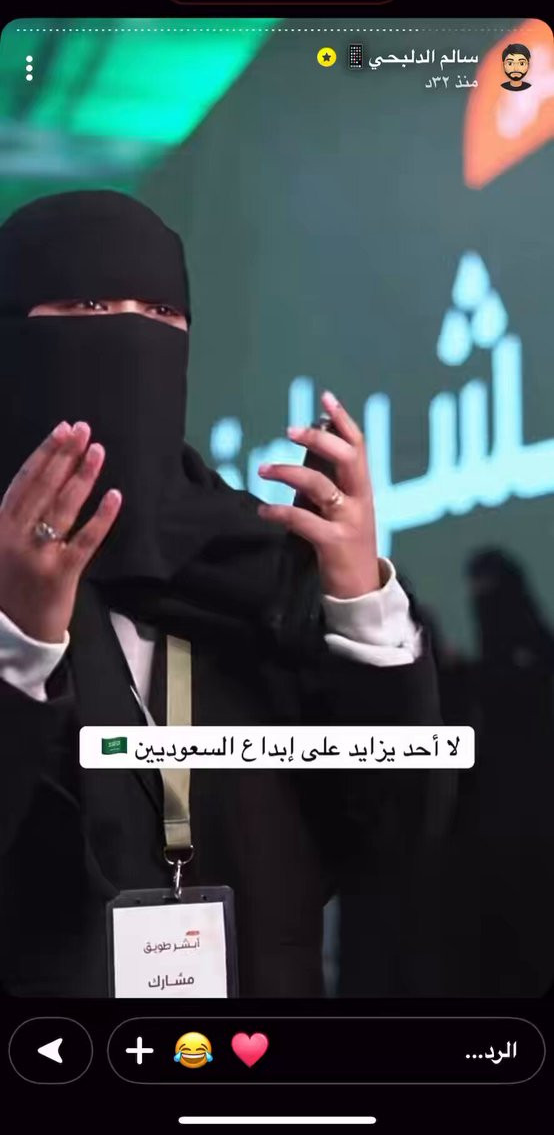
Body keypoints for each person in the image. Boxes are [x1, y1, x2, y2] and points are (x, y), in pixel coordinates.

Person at [0, 190, 440, 998]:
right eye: (90, 306)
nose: (133, 336)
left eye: (162, 313)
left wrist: (360, 602)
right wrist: (20, 643)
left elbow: (395, 835)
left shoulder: (259, 569)